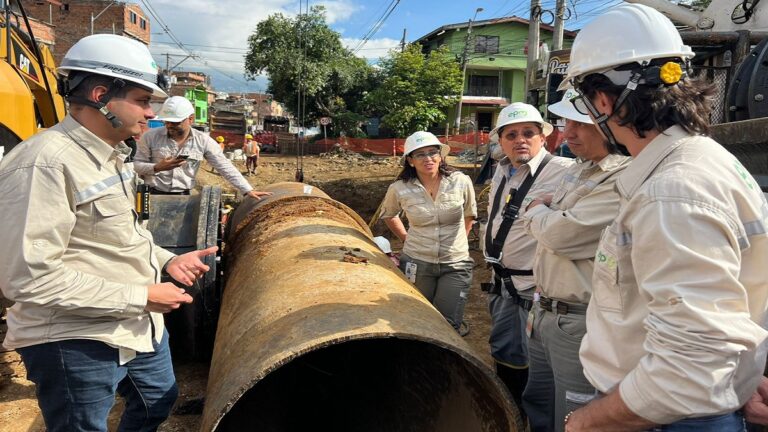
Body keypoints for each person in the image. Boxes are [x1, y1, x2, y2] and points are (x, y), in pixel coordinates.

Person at [558, 4, 768, 431]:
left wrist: (586, 422)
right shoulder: (707, 160)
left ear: (603, 100)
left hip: (660, 418)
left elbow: (686, 372)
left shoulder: (671, 191)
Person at [0, 34, 218, 432]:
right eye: (141, 100)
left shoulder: (113, 158)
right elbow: (27, 278)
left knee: (159, 399)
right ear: (101, 95)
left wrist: (168, 260)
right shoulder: (44, 165)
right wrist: (143, 294)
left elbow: (125, 234)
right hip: (74, 337)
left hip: (135, 323)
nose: (151, 113)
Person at [520, 89, 631, 432]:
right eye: (567, 121)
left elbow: (561, 235)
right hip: (543, 310)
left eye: (579, 123)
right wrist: (547, 212)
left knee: (575, 417)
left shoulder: (622, 178)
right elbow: (547, 212)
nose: (568, 133)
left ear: (609, 122)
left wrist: (540, 211)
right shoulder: (580, 170)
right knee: (537, 401)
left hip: (578, 321)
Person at [483, 102, 573, 420]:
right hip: (501, 282)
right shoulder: (503, 171)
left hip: (532, 288)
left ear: (543, 137)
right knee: (505, 350)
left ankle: (530, 418)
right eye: (511, 134)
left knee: (535, 362)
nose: (520, 139)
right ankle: (510, 411)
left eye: (528, 133)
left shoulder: (563, 172)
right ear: (501, 141)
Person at [380, 131, 477, 334]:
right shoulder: (399, 188)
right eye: (420, 154)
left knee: (448, 323)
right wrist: (406, 239)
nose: (428, 158)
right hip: (418, 262)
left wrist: (461, 242)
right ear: (410, 161)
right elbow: (389, 215)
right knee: (419, 317)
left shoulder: (460, 181)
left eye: (433, 152)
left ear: (441, 156)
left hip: (455, 263)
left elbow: (470, 215)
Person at [134, 96, 270, 199]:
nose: (169, 125)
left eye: (175, 122)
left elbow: (224, 166)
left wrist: (247, 190)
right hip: (152, 196)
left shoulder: (203, 141)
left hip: (184, 198)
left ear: (191, 119)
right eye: (167, 121)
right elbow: (136, 165)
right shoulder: (150, 137)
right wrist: (157, 167)